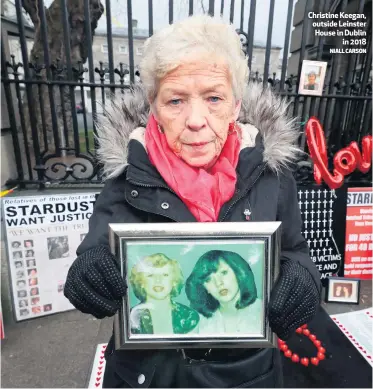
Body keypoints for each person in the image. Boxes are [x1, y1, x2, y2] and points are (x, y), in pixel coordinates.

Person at [64, 15, 321, 388]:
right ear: (154, 106)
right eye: (176, 101)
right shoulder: (125, 179)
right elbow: (94, 253)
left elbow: (296, 252)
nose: (196, 120)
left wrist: (301, 280)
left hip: (244, 373)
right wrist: (89, 274)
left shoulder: (272, 176)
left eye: (213, 98)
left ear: (235, 106)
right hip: (148, 374)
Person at [186, 250, 262, 334]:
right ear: (205, 288)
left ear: (238, 273)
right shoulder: (197, 322)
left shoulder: (263, 311)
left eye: (224, 272)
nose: (218, 283)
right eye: (208, 279)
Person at [129, 253, 199, 335]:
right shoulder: (130, 317)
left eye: (165, 275)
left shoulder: (189, 316)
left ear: (174, 281)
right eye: (151, 275)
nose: (158, 280)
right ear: (141, 282)